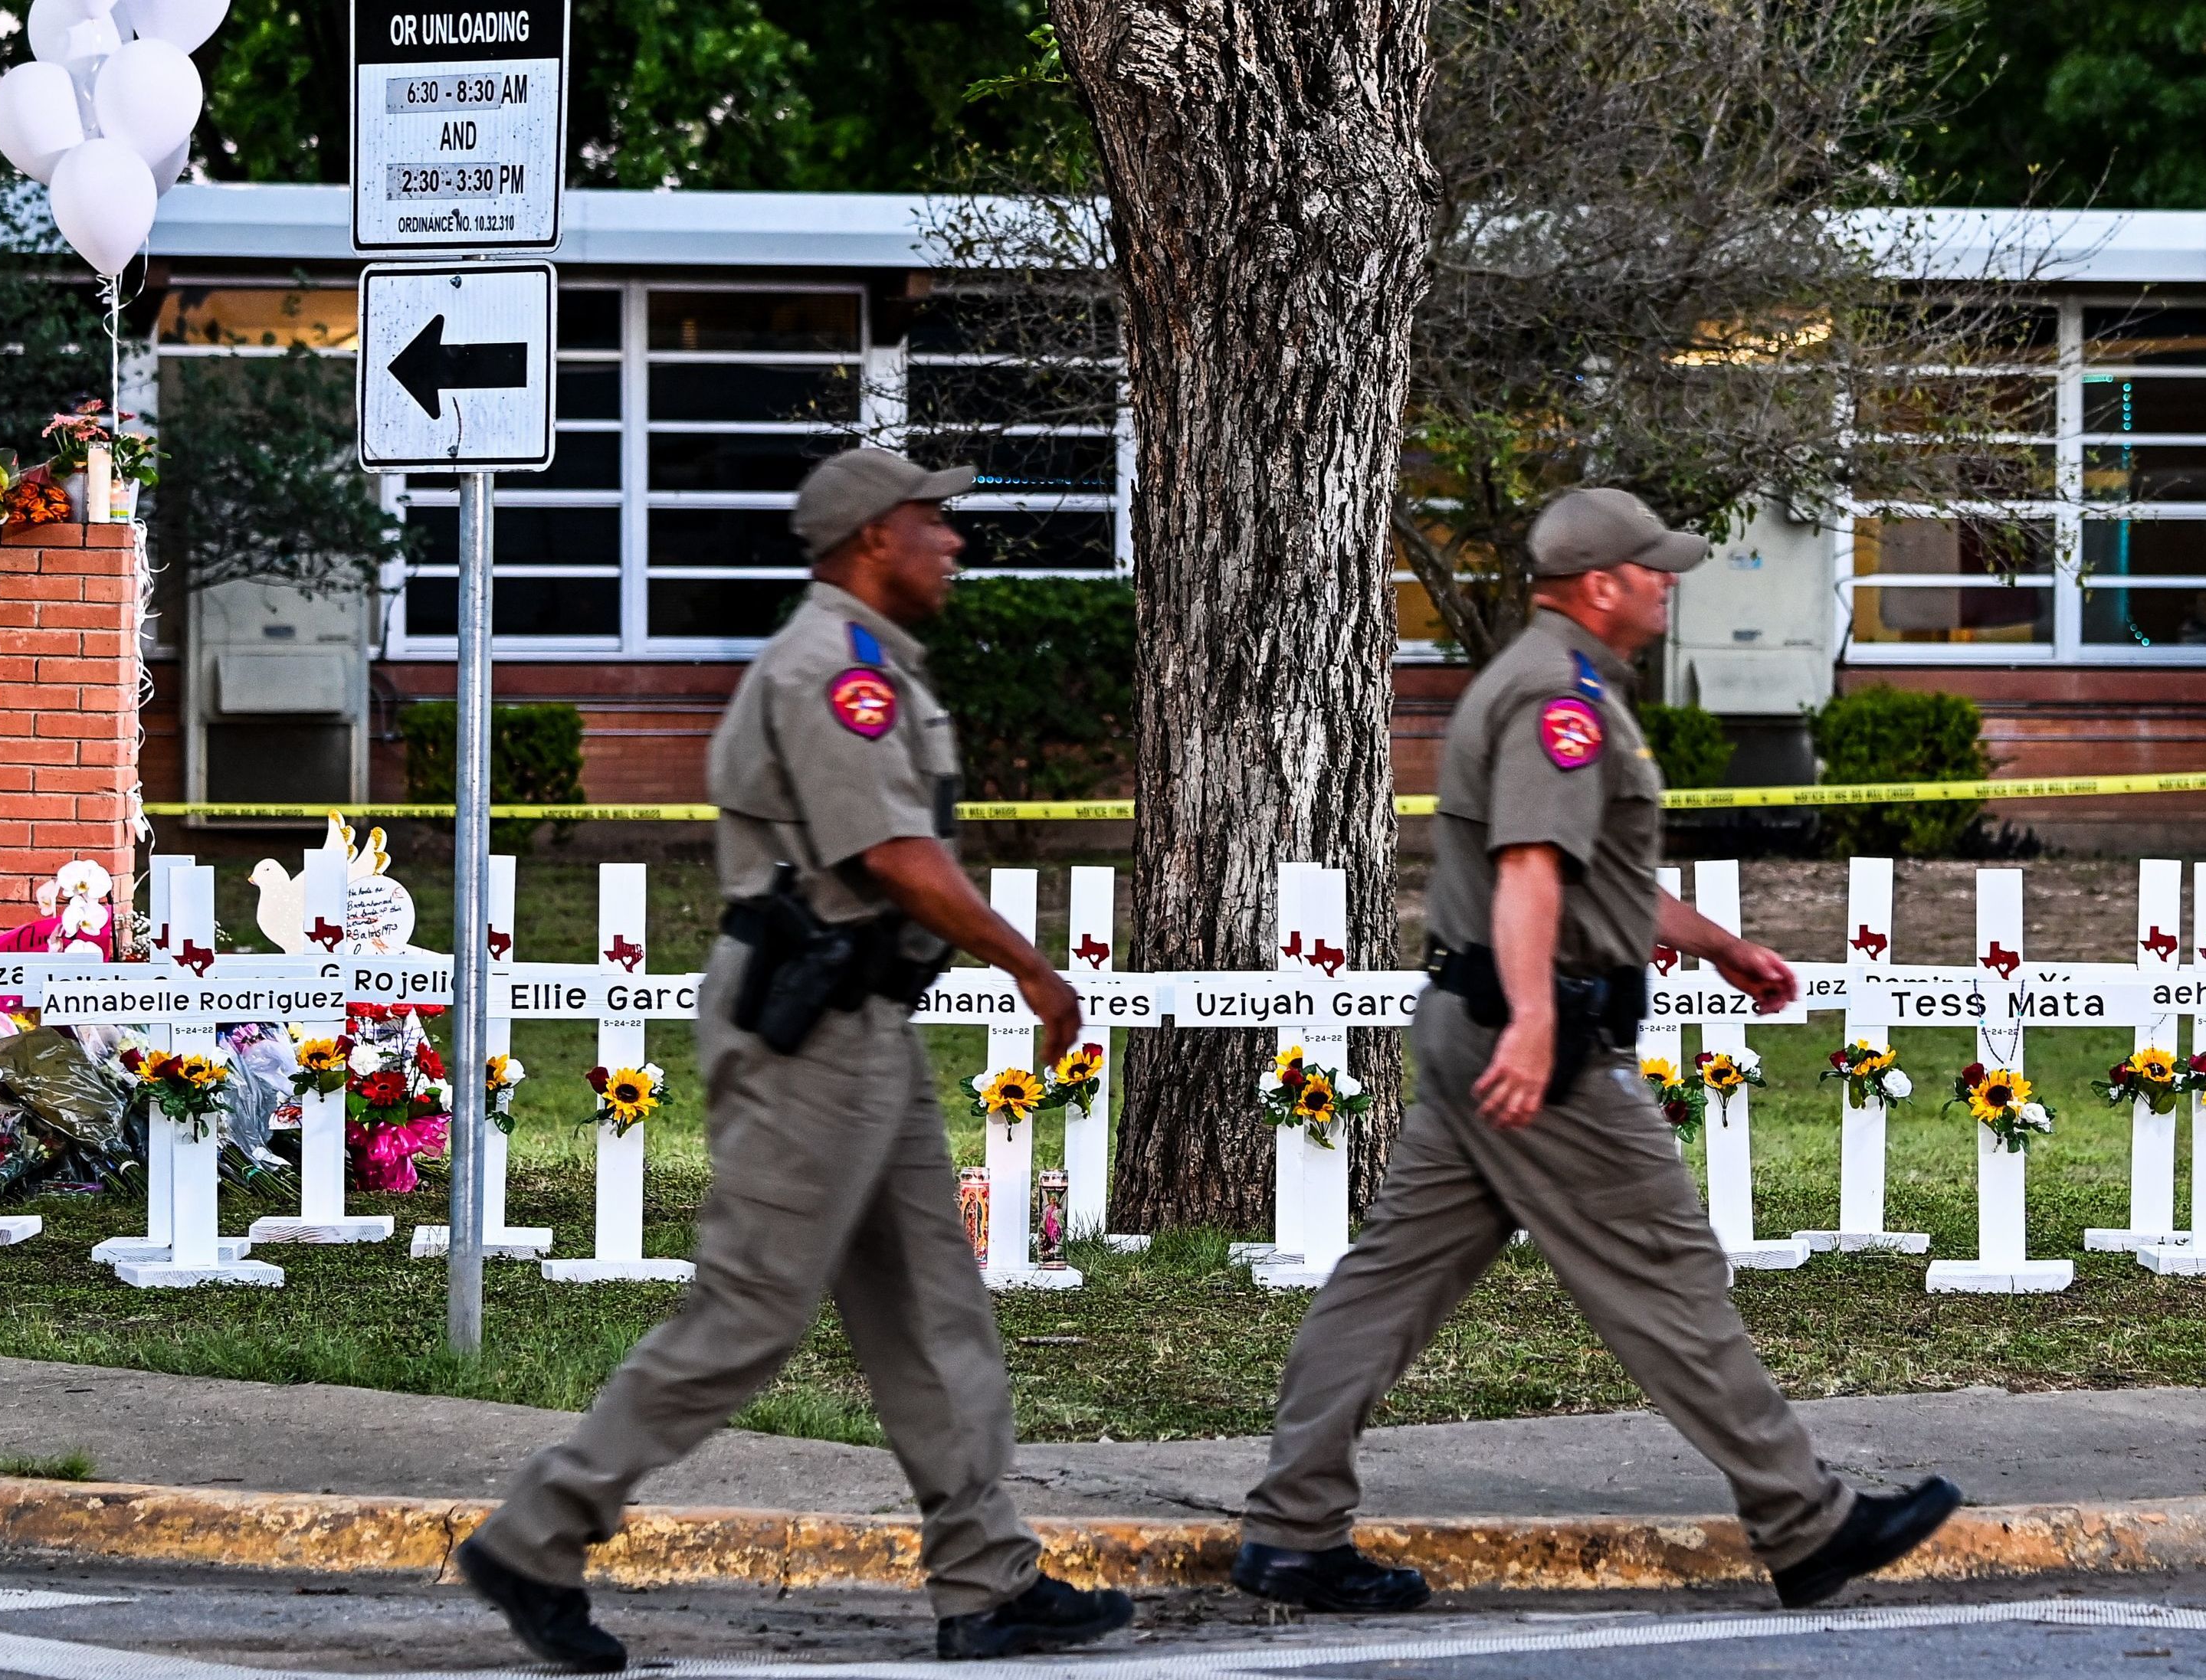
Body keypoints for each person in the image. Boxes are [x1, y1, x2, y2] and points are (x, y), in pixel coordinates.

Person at [454, 449, 1134, 1670]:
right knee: (751, 1311)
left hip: (863, 1023)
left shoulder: (869, 663)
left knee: (935, 1305)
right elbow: (893, 856)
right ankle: (539, 1532)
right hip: (809, 1033)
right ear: (874, 535)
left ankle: (987, 1579)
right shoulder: (834, 671)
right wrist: (1032, 966)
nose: (954, 541)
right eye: (934, 520)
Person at [1232, 487, 1963, 1615]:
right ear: (1598, 585)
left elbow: (1588, 873)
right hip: (1546, 1042)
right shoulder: (1555, 696)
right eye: (1653, 567)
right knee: (1669, 1271)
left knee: (1387, 1285)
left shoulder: (1565, 686)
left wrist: (1717, 943)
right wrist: (1535, 1023)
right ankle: (1804, 1521)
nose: (1671, 582)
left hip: (1492, 1022)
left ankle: (1290, 1528)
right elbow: (1531, 869)